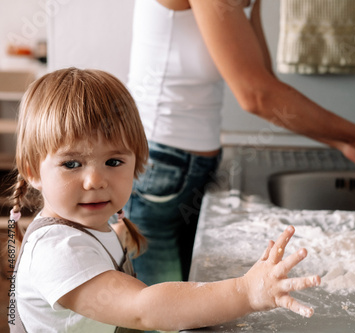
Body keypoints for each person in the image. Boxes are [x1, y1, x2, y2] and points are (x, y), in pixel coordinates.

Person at [126, 0, 355, 285]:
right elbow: (256, 95)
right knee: (159, 318)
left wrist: (344, 144)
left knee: (187, 304)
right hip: (160, 166)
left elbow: (264, 81)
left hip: (191, 166)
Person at [8, 68, 321, 332]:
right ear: (33, 170)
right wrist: (247, 292)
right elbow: (143, 308)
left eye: (114, 162)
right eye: (72, 164)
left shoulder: (88, 226)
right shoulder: (57, 251)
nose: (95, 180)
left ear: (137, 164)